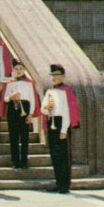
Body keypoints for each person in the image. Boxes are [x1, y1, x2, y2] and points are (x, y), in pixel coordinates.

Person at [41, 63, 81, 194]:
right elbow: (43, 110)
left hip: (61, 123)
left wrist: (64, 130)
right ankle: (58, 182)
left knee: (63, 155)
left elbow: (67, 112)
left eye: (57, 75)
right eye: (52, 75)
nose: (54, 77)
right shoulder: (49, 91)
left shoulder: (66, 91)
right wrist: (47, 108)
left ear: (63, 77)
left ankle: (65, 184)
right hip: (51, 122)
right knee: (55, 155)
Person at [0, 59, 39, 169]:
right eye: (16, 69)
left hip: (25, 107)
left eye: (21, 69)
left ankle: (24, 161)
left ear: (24, 70)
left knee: (24, 136)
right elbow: (5, 99)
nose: (18, 71)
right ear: (13, 70)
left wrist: (30, 114)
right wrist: (11, 97)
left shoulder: (29, 83)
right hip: (13, 108)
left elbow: (32, 99)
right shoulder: (10, 83)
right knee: (13, 136)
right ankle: (15, 161)